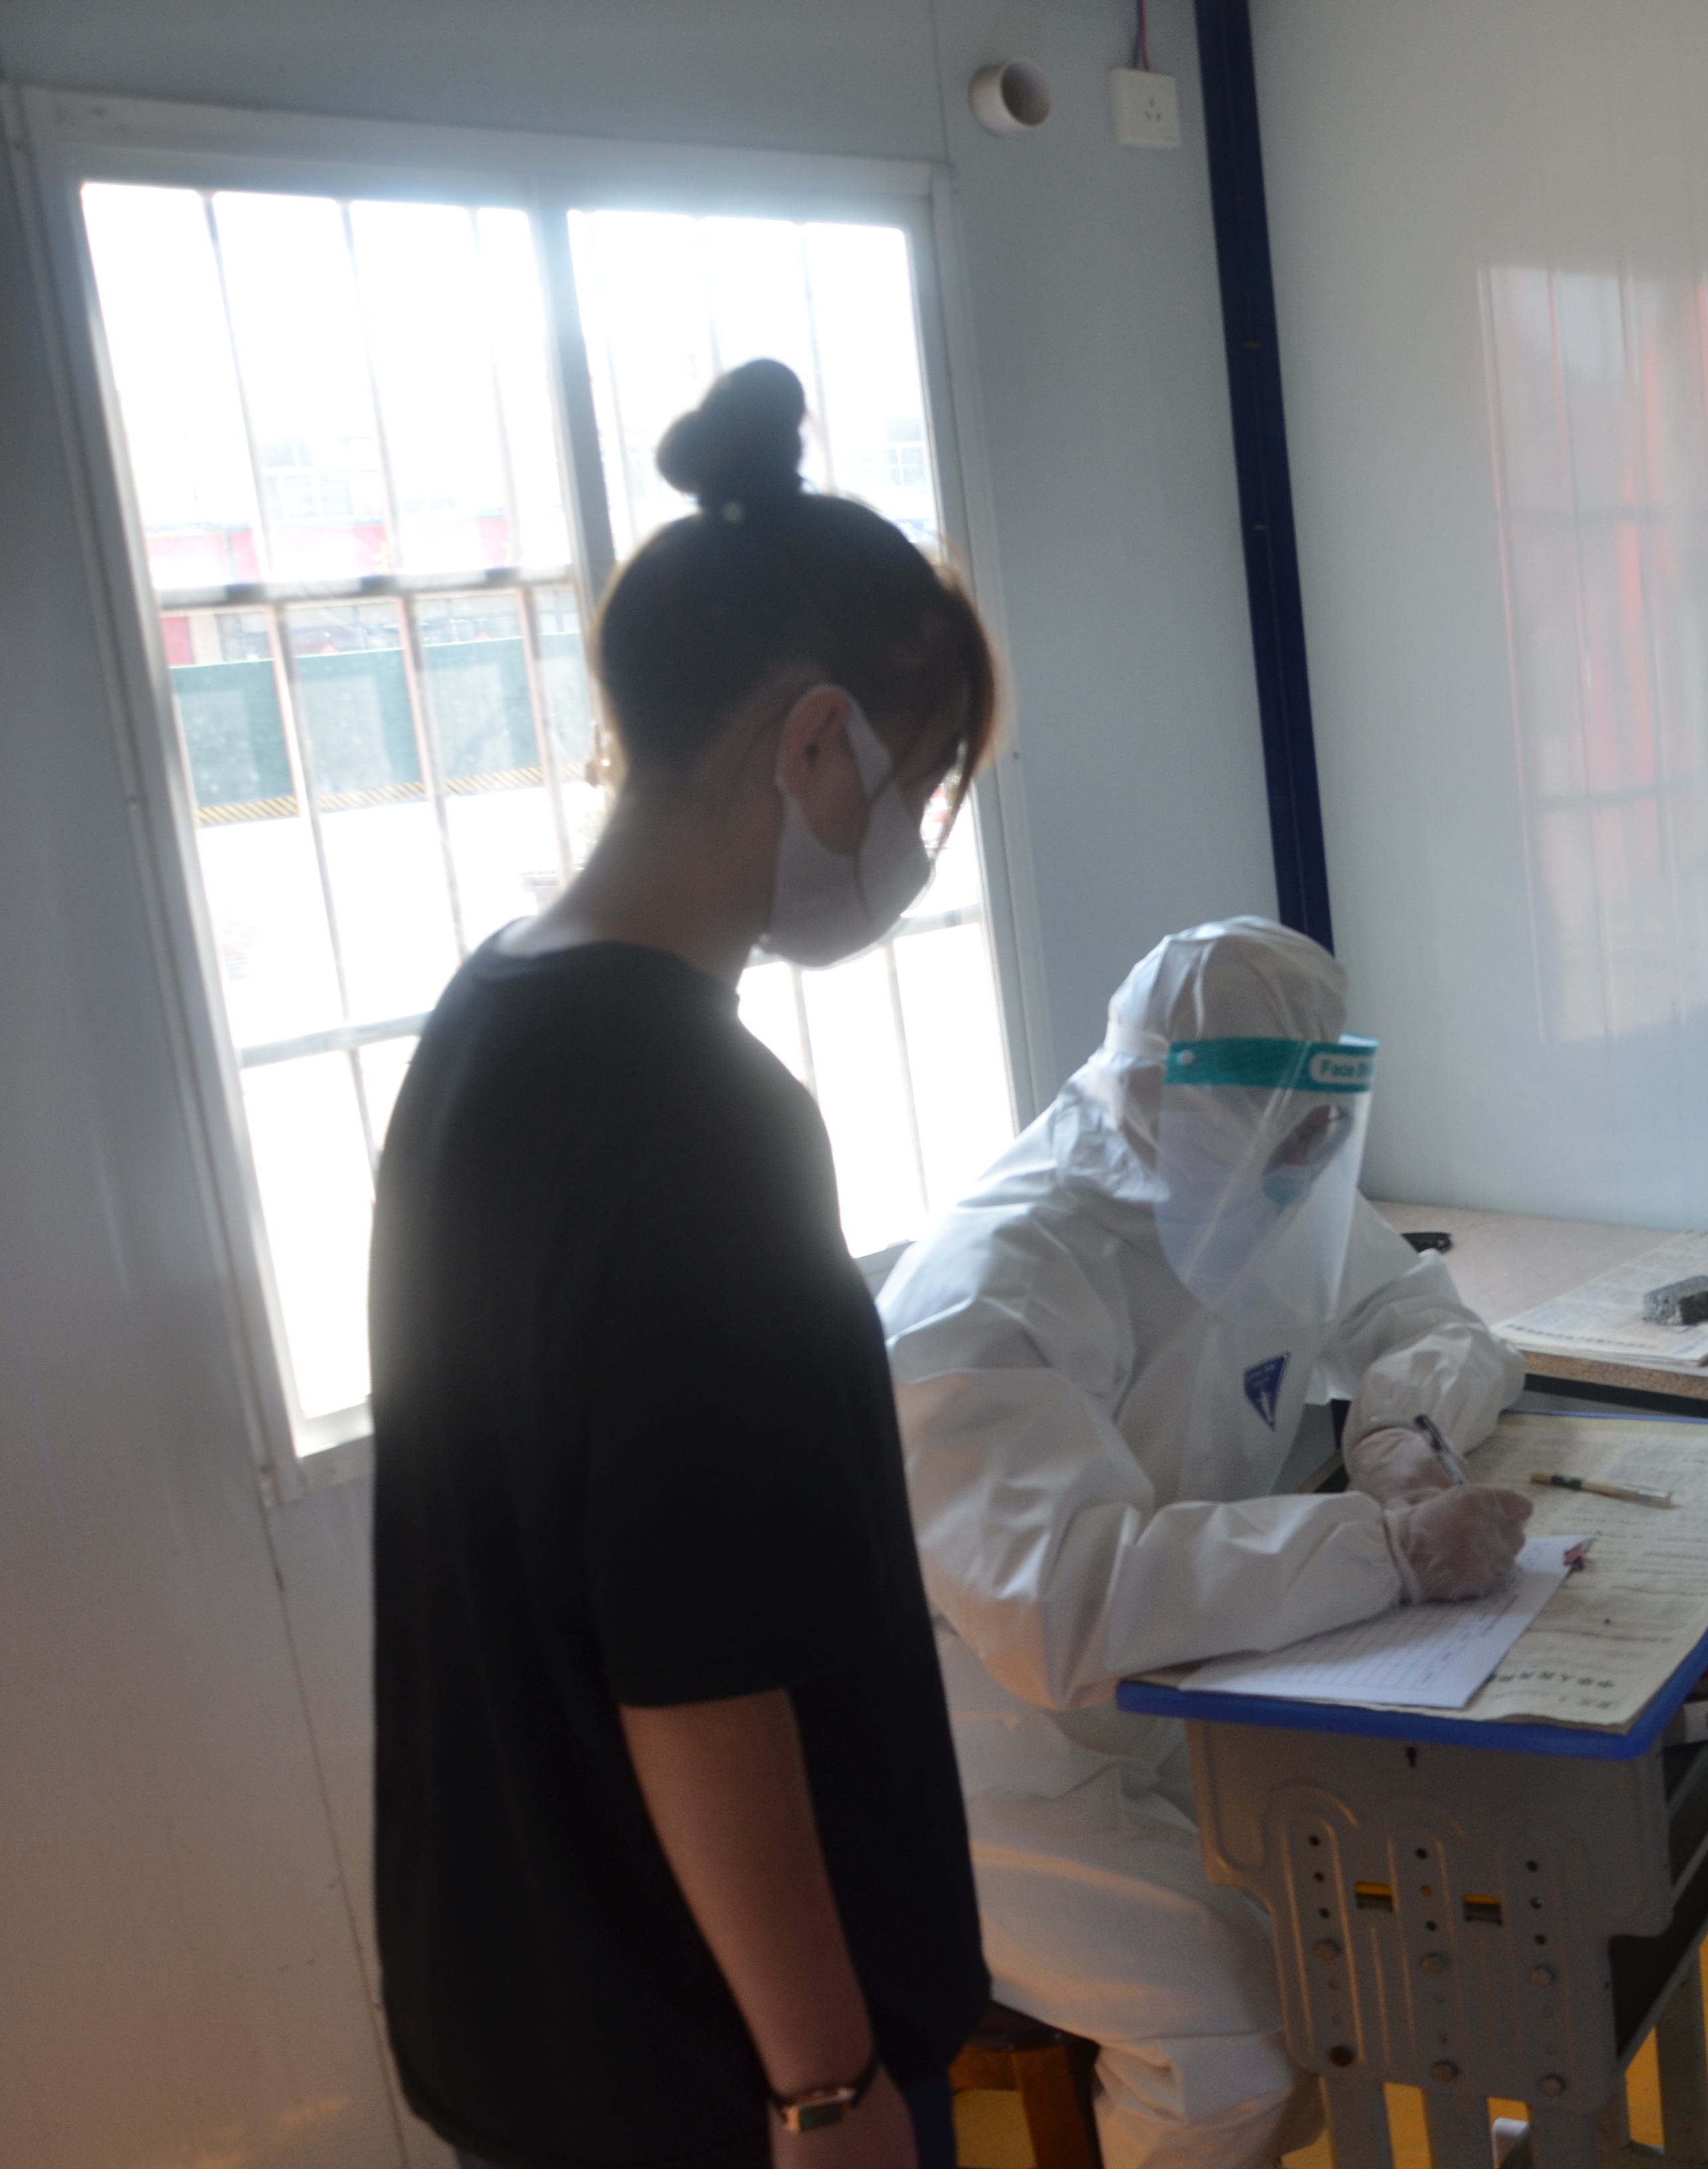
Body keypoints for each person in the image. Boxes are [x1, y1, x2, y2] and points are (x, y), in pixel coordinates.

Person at [371, 359, 993, 2169]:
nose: (912, 848)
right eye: (920, 787)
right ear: (815, 745)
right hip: (713, 2071)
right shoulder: (701, 1122)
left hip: (533, 2020)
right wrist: (826, 2083)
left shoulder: (485, 1024)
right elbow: (700, 1681)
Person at [878, 918, 1533, 2169]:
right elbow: (1067, 1607)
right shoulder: (992, 1287)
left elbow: (1422, 1313)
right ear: (1176, 1100)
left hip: (1170, 1703)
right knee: (1244, 2046)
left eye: (1325, 1124)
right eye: (1289, 1128)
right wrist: (1382, 1549)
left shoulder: (1257, 1176)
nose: (1313, 1156)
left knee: (1394, 1913)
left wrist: (1401, 1426)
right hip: (972, 1768)